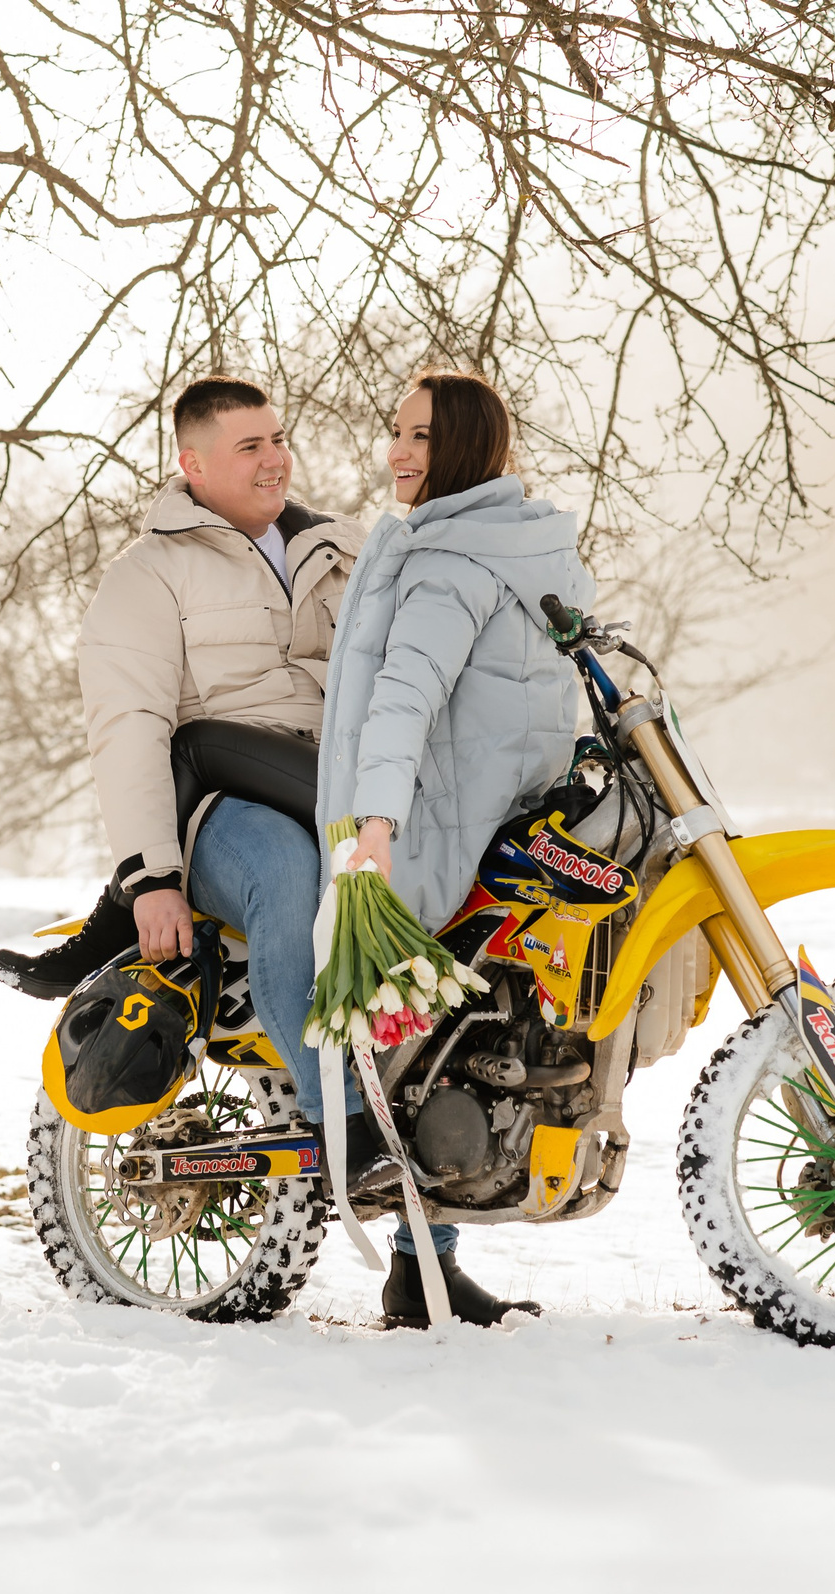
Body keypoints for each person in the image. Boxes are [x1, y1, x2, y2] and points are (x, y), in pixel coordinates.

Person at [0, 375, 379, 1146]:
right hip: (224, 809)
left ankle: (421, 1251)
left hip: (343, 783)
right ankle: (341, 1121)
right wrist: (153, 879)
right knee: (284, 870)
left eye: (277, 439)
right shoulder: (149, 574)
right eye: (249, 447)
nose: (275, 460)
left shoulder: (342, 550)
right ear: (192, 465)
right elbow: (128, 726)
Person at [317, 370, 595, 1328]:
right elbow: (402, 701)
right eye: (396, 432)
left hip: (505, 817)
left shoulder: (493, 554)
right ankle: (396, 1211)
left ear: (467, 446)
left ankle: (419, 1264)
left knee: (469, 1036)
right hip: (441, 824)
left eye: (420, 437)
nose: (398, 452)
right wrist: (377, 826)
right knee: (433, 1036)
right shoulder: (461, 560)